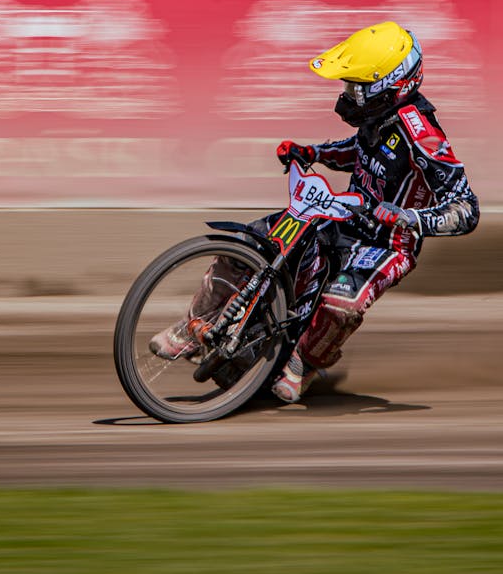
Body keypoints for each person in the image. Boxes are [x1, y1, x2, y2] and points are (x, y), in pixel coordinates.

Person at [151, 20, 479, 404]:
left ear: (391, 85)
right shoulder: (379, 119)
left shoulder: (423, 135)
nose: (350, 95)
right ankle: (195, 327)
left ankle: (302, 363)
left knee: (342, 303)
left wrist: (409, 218)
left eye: (358, 88)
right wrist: (313, 153)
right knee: (249, 243)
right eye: (349, 86)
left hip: (388, 243)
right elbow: (356, 150)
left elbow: (466, 209)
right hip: (342, 216)